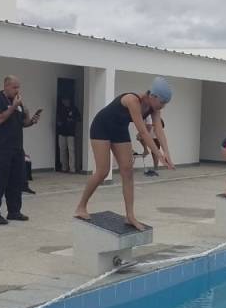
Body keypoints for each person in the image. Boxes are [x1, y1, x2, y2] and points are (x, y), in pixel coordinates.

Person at [73, 77, 175, 230]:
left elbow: (159, 130)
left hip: (119, 129)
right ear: (153, 96)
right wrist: (158, 155)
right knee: (102, 171)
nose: (163, 106)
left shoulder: (154, 108)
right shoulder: (132, 100)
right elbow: (143, 132)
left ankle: (130, 216)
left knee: (128, 171)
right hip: (101, 127)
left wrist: (167, 154)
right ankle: (81, 207)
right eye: (162, 103)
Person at [0, 75, 41, 225]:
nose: (17, 90)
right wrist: (13, 106)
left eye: (19, 87)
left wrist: (32, 120)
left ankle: (14, 211)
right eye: (14, 87)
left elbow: (23, 123)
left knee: (16, 181)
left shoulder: (18, 102)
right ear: (6, 86)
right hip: (3, 147)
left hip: (17, 148)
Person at [56, 97, 80, 173]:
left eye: (66, 100)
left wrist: (72, 120)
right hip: (62, 131)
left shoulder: (74, 109)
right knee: (62, 150)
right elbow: (58, 118)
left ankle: (72, 168)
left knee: (71, 150)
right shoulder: (60, 109)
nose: (65, 101)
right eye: (63, 100)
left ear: (69, 100)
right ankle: (64, 167)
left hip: (71, 132)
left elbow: (79, 118)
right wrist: (58, 123)